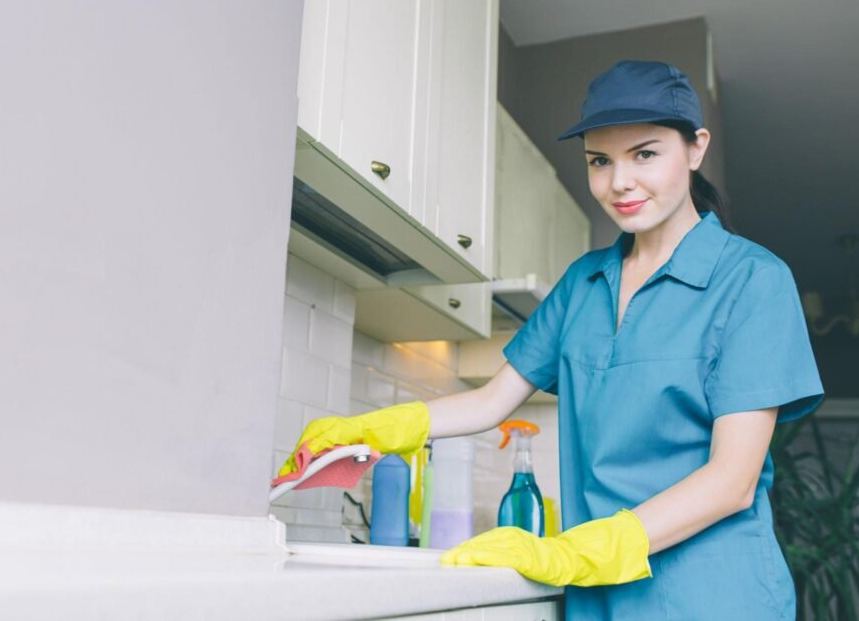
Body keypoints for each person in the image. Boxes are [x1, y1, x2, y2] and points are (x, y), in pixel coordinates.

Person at [277, 60, 824, 620]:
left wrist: (574, 551)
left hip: (714, 597)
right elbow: (491, 401)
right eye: (599, 161)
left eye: (645, 153)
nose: (619, 183)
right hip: (599, 598)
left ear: (695, 148)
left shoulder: (753, 280)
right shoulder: (584, 284)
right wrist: (371, 429)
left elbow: (732, 481)